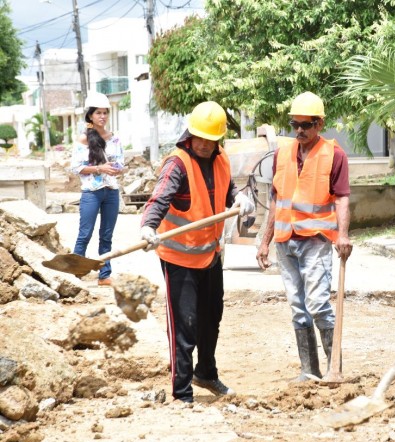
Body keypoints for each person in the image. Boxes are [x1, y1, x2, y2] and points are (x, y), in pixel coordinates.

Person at [140, 101, 255, 404]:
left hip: (210, 255)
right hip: (179, 258)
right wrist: (148, 227)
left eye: (211, 139)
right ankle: (182, 393)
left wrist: (241, 198)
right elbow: (159, 198)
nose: (204, 145)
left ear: (218, 139)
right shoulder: (176, 164)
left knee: (210, 317)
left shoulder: (221, 161)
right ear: (190, 134)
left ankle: (206, 372)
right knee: (185, 323)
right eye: (200, 138)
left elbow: (229, 190)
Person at [256, 91, 352, 382]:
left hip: (316, 240)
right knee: (298, 308)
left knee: (319, 305)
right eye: (295, 124)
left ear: (319, 124)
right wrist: (265, 239)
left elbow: (342, 199)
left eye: (306, 125)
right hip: (286, 240)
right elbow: (275, 199)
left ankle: (334, 368)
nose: (299, 130)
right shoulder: (281, 155)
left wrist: (343, 235)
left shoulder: (334, 155)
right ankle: (309, 370)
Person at [70, 92, 125, 286]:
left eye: (105, 113)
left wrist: (116, 170)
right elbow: (76, 167)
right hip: (91, 193)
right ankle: (74, 274)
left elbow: (119, 164)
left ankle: (104, 275)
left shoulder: (115, 139)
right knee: (85, 234)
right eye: (98, 113)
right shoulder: (84, 139)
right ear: (90, 116)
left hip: (111, 191)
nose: (102, 116)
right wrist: (99, 168)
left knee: (106, 236)